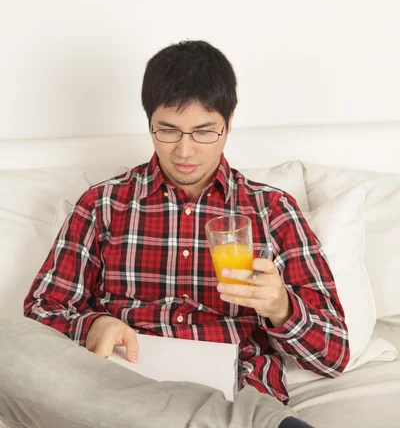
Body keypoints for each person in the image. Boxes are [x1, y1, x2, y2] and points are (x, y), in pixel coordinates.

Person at [0, 40, 349, 428]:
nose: (185, 151)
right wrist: (92, 324)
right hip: (120, 385)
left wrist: (281, 307)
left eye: (203, 132)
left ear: (228, 124)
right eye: (168, 131)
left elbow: (333, 355)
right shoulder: (104, 204)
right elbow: (41, 313)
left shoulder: (272, 210)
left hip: (231, 388)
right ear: (149, 122)